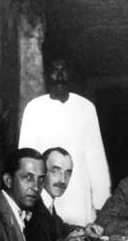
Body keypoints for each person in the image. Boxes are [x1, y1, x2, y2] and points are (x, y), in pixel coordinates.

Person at [19, 58, 111, 225]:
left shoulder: (86, 108)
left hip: (79, 200)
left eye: (64, 70)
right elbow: (25, 161)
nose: (59, 76)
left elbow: (96, 161)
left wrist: (101, 204)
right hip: (44, 200)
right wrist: (25, 202)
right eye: (54, 70)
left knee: (81, 236)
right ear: (46, 75)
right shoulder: (34, 108)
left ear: (71, 74)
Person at [25, 146, 103, 241]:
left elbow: (61, 228)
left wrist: (85, 230)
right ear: (42, 172)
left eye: (67, 173)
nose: (62, 180)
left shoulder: (48, 203)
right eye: (55, 171)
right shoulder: (31, 205)